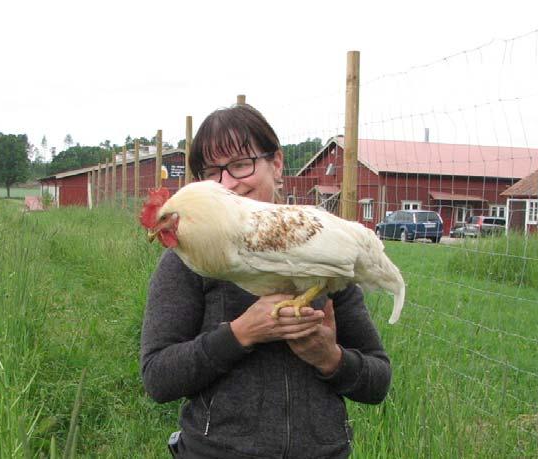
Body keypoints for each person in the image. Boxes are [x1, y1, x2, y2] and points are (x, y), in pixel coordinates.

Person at [140, 104, 391, 458]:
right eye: (212, 172)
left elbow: (378, 381)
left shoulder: (325, 248)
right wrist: (241, 333)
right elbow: (158, 378)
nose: (228, 183)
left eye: (241, 164)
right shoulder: (188, 263)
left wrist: (330, 358)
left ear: (276, 164)